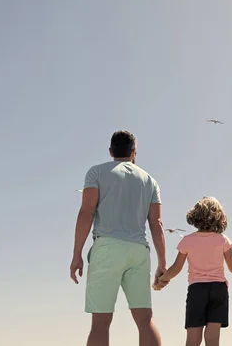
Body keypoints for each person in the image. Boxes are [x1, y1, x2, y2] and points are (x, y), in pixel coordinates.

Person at [69, 130, 168, 346]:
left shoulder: (96, 173)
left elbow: (86, 212)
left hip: (107, 248)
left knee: (101, 322)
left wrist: (77, 254)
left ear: (110, 151)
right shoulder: (150, 181)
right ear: (134, 152)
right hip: (139, 251)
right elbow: (156, 224)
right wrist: (162, 262)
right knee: (145, 319)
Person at [155, 196, 232, 346]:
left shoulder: (187, 240)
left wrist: (161, 280)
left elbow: (176, 268)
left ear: (195, 217)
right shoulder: (223, 240)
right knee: (212, 338)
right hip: (219, 289)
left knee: (193, 337)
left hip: (197, 290)